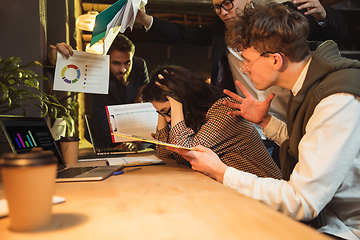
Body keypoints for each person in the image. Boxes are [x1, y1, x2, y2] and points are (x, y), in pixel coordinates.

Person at [168, 2, 360, 239]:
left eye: (247, 60)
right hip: (330, 218)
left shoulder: (335, 101)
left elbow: (302, 200)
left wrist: (222, 172)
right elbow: (312, 145)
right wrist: (266, 121)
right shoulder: (311, 86)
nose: (244, 68)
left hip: (347, 227)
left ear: (276, 60)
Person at [136, 0, 348, 160]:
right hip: (255, 120)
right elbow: (183, 33)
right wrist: (146, 20)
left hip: (290, 116)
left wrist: (323, 15)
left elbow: (334, 30)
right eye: (217, 7)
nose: (223, 12)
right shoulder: (222, 30)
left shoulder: (277, 18)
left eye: (227, 3)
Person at [142, 64, 281, 179]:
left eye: (168, 111)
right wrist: (163, 111)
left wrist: (176, 103)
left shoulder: (224, 111)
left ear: (182, 99)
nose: (167, 119)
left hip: (264, 193)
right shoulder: (193, 116)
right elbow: (164, 154)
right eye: (161, 113)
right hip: (233, 188)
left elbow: (185, 152)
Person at [48, 34, 149, 149]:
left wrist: (133, 139)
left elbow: (142, 99)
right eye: (116, 63)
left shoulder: (139, 65)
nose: (123, 69)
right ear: (106, 58)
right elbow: (59, 69)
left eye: (127, 62)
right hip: (101, 137)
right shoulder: (95, 65)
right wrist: (55, 57)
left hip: (132, 137)